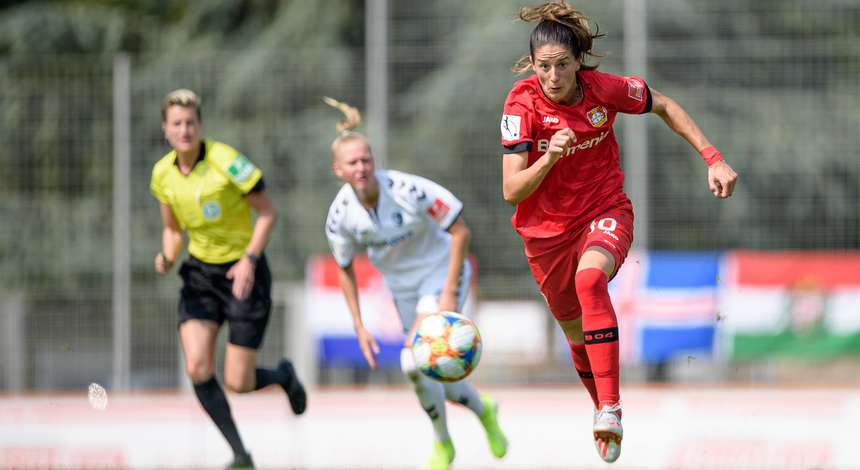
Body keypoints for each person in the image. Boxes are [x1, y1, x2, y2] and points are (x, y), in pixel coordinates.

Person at [499, 2, 738, 464]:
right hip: (545, 235)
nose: (553, 76)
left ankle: (611, 407)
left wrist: (713, 158)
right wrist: (548, 157)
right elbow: (511, 190)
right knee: (575, 335)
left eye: (562, 65)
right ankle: (602, 411)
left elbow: (663, 103)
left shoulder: (604, 90)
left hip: (605, 211)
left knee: (590, 280)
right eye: (544, 67)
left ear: (577, 62)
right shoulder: (519, 104)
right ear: (532, 65)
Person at [322, 97, 508, 470]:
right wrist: (358, 325)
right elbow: (344, 268)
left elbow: (460, 231)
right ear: (338, 170)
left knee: (411, 360)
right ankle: (482, 408)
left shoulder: (407, 190)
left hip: (441, 276)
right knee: (435, 371)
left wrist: (448, 292)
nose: (362, 168)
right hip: (404, 291)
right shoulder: (341, 216)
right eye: (353, 163)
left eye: (366, 160)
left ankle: (443, 445)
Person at [150, 89, 307, 469]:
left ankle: (284, 375)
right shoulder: (162, 174)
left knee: (239, 381)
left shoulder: (227, 162)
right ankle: (240, 453)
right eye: (177, 124)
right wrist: (168, 256)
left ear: (200, 126)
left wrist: (250, 260)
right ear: (166, 130)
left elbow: (267, 213)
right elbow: (172, 230)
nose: (184, 130)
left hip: (243, 273)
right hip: (201, 276)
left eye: (191, 122)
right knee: (198, 367)